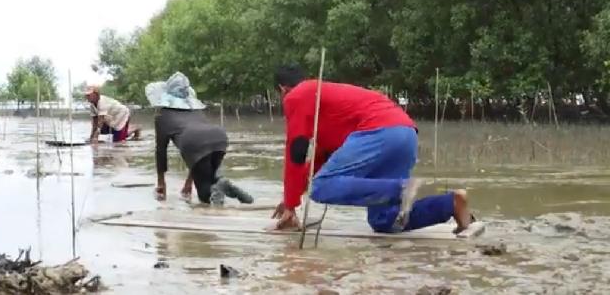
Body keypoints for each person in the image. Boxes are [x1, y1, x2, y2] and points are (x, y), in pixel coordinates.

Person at [271, 63, 473, 233]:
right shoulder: (323, 101)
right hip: (406, 133)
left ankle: (405, 189)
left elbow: (296, 151)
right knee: (384, 220)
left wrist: (290, 206)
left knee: (320, 187)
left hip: (379, 131)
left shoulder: (297, 95)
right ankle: (451, 204)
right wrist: (291, 196)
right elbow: (319, 162)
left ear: (283, 89)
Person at [145, 72, 253, 205]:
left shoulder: (162, 115)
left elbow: (161, 151)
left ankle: (219, 187)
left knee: (206, 198)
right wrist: (189, 182)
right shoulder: (195, 110)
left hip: (194, 142)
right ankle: (222, 183)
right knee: (212, 182)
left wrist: (161, 184)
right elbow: (197, 149)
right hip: (218, 137)